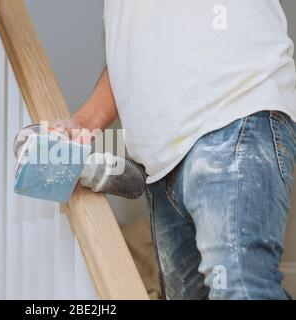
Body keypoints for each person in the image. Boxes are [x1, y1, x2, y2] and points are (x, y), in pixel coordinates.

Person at [20, 0, 296, 299]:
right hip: (160, 168)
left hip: (231, 114)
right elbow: (133, 56)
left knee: (240, 289)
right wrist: (84, 122)